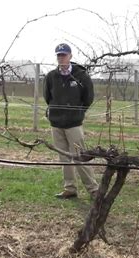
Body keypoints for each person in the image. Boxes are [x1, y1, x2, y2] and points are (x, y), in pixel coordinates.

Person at [44, 43, 99, 200]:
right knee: (63, 157)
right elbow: (48, 97)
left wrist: (77, 113)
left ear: (70, 56)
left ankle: (93, 189)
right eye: (59, 55)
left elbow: (88, 98)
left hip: (74, 124)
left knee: (80, 156)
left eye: (64, 55)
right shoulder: (51, 76)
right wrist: (56, 111)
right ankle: (70, 188)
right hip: (56, 123)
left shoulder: (81, 76)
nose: (61, 58)